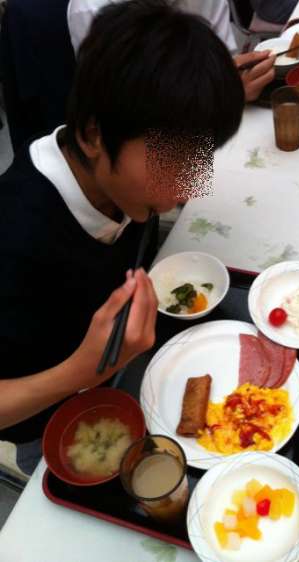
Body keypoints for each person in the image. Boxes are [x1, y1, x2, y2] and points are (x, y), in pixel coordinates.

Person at [0, 0, 244, 471]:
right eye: (173, 161)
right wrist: (79, 372)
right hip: (49, 425)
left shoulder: (118, 183)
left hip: (128, 370)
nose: (187, 189)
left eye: (199, 159)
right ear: (93, 135)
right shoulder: (15, 235)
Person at [67, 0, 275, 103]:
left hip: (209, 117)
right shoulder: (93, 11)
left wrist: (235, 78)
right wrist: (222, 95)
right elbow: (128, 115)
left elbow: (224, 62)